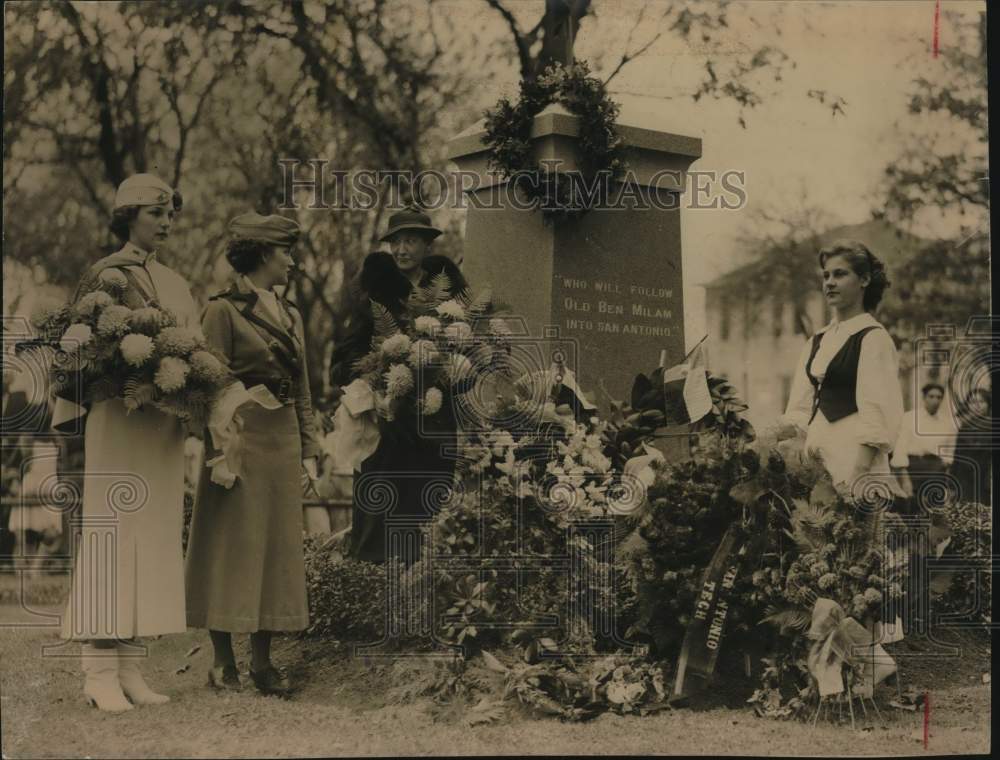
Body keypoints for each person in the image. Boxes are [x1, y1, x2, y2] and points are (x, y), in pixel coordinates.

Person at [59, 173, 194, 712]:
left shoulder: (175, 282)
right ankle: (98, 672)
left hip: (160, 424)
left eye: (169, 214)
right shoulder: (103, 275)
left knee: (152, 538)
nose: (165, 223)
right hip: (117, 420)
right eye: (155, 213)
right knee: (112, 537)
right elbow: (75, 352)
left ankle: (131, 669)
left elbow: (194, 352)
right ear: (128, 218)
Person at [184, 212, 320, 696]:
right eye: (285, 252)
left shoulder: (292, 314)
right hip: (237, 439)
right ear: (262, 254)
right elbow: (207, 384)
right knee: (228, 543)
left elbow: (302, 389)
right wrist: (220, 446)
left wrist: (310, 449)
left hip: (282, 439)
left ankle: (262, 663)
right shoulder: (222, 310)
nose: (292, 261)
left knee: (275, 546)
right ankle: (223, 663)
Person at [328, 206, 466, 564]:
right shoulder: (375, 293)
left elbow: (467, 349)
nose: (402, 249)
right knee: (381, 507)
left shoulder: (449, 294)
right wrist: (374, 375)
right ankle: (372, 581)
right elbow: (345, 357)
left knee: (427, 506)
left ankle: (422, 580)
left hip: (435, 419)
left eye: (411, 241)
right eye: (396, 242)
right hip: (388, 422)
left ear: (427, 245)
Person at [780, 240, 904, 502]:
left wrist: (859, 474)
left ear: (864, 280)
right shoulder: (818, 340)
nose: (830, 283)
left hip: (855, 461)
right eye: (826, 275)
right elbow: (800, 407)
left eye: (840, 274)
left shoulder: (872, 338)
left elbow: (878, 412)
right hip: (816, 463)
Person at [891, 383, 957, 507]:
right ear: (924, 397)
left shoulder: (947, 423)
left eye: (939, 397)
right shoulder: (910, 418)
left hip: (935, 469)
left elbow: (950, 451)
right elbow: (900, 447)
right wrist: (904, 478)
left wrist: (944, 467)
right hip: (913, 466)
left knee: (933, 507)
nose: (935, 400)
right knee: (910, 505)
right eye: (931, 396)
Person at [950, 387, 991, 505]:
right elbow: (957, 456)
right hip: (964, 479)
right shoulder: (965, 427)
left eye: (981, 401)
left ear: (988, 404)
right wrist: (952, 483)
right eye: (973, 402)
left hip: (985, 480)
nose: (977, 405)